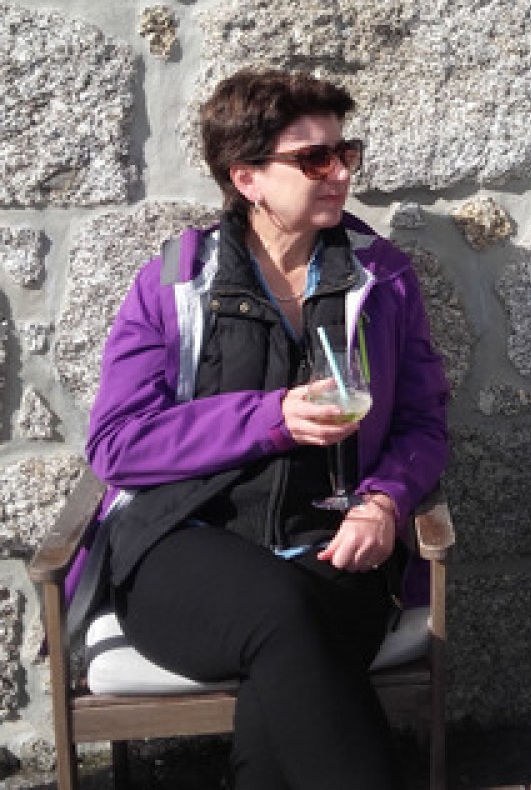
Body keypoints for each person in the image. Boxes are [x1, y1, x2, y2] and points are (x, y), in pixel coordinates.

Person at [85, 68, 450, 789]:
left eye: (345, 152)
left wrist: (384, 501)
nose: (339, 171)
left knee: (289, 643)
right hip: (185, 544)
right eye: (312, 158)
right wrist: (271, 419)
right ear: (246, 177)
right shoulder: (174, 284)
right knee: (284, 612)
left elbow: (422, 421)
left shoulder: (382, 278)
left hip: (336, 541)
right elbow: (117, 444)